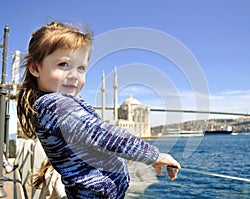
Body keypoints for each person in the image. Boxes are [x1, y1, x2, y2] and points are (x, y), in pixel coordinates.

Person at [17, 21, 180, 199]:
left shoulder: (55, 105)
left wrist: (113, 156)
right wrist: (153, 155)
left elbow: (86, 141)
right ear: (35, 67)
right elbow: (101, 135)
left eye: (81, 68)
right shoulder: (55, 105)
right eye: (63, 64)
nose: (73, 75)